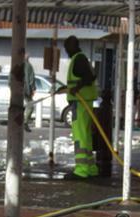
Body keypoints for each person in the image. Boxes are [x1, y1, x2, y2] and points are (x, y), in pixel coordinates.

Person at [61, 36, 98, 178]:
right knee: (86, 136)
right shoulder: (81, 58)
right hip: (84, 102)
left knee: (80, 136)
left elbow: (89, 77)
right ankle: (91, 168)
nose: (66, 51)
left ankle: (81, 170)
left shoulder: (78, 58)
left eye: (66, 48)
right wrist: (69, 87)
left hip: (80, 103)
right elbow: (89, 76)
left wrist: (77, 88)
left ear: (72, 46)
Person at [23, 52, 36, 132]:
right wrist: (33, 89)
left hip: (17, 89)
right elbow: (31, 79)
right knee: (30, 106)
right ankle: (25, 122)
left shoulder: (17, 64)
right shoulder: (29, 66)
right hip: (26, 89)